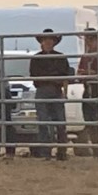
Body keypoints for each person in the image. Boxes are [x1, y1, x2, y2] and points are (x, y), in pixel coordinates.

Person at [29, 28, 72, 160]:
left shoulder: (60, 57)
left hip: (54, 90)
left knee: (60, 122)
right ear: (41, 42)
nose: (48, 42)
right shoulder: (37, 58)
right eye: (45, 39)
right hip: (44, 90)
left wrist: (64, 90)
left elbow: (65, 76)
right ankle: (46, 151)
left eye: (50, 40)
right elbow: (35, 77)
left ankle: (61, 151)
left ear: (54, 42)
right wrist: (55, 79)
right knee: (43, 122)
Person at [75, 28, 98, 158]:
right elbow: (80, 74)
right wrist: (87, 75)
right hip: (88, 90)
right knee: (90, 121)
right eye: (87, 39)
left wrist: (92, 74)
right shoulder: (85, 57)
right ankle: (97, 148)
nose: (88, 42)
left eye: (91, 39)